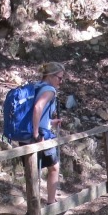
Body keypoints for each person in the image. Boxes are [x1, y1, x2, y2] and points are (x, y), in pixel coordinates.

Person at [30, 62, 65, 204]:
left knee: (32, 171)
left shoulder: (36, 87)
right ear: (50, 76)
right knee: (54, 168)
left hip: (27, 134)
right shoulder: (49, 90)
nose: (61, 82)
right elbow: (38, 108)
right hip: (40, 136)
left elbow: (36, 114)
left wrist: (50, 122)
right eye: (59, 78)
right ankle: (51, 203)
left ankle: (33, 207)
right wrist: (36, 133)